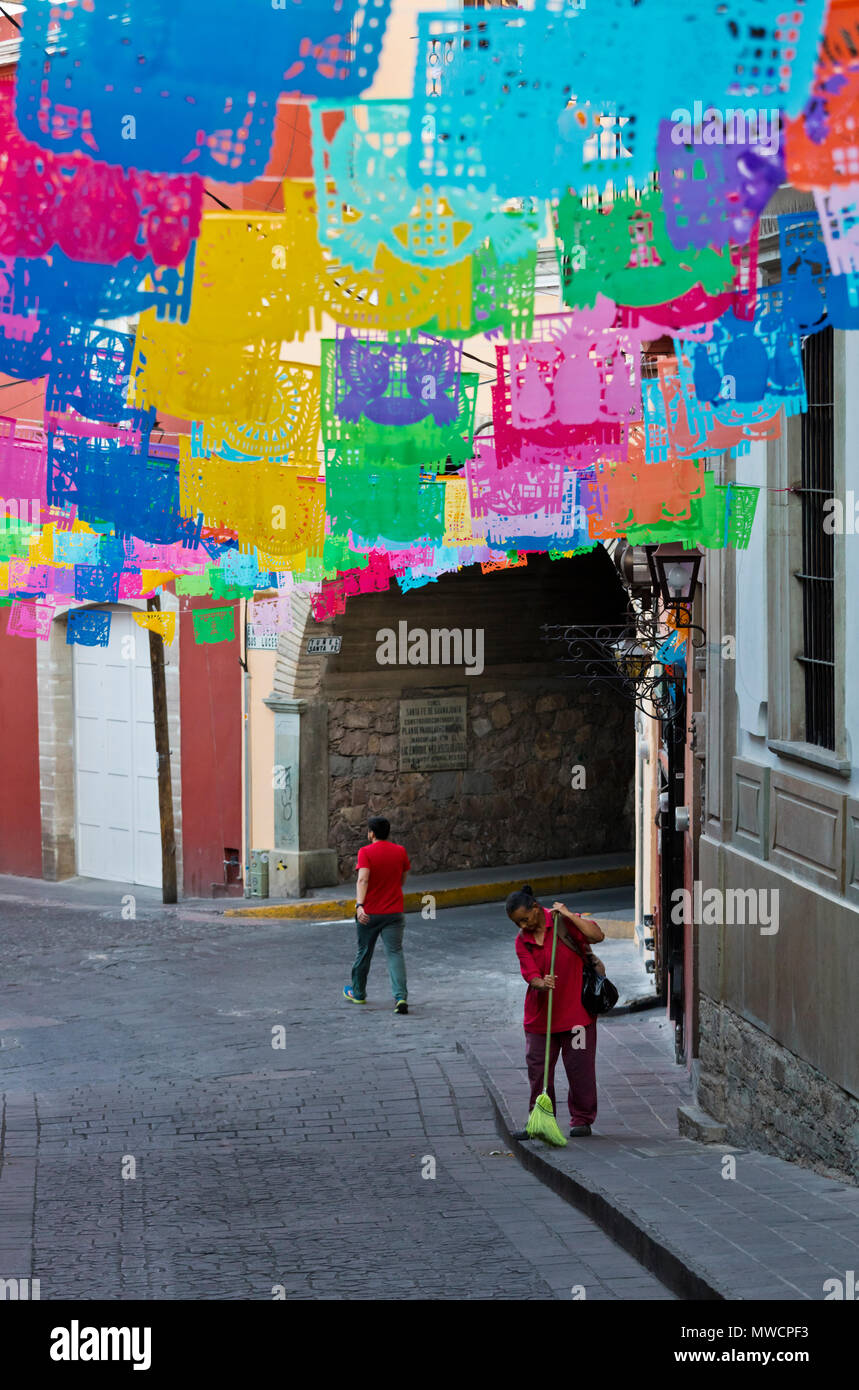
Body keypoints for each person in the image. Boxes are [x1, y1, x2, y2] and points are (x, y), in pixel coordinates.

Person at [506, 884, 606, 1138]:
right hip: (541, 1018)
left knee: (580, 1069)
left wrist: (570, 914)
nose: (523, 926)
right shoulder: (523, 941)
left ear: (537, 909)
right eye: (518, 923)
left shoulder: (562, 922)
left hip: (577, 1016)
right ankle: (539, 1120)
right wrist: (541, 982)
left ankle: (582, 1119)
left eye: (525, 919)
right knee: (539, 1071)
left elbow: (596, 936)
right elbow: (529, 973)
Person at [343, 816, 411, 1014]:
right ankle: (400, 998)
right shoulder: (400, 851)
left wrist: (359, 905)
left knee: (364, 951)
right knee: (395, 953)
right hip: (394, 912)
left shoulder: (365, 852)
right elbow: (402, 879)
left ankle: (359, 993)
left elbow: (363, 880)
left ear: (371, 833)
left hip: (370, 913)